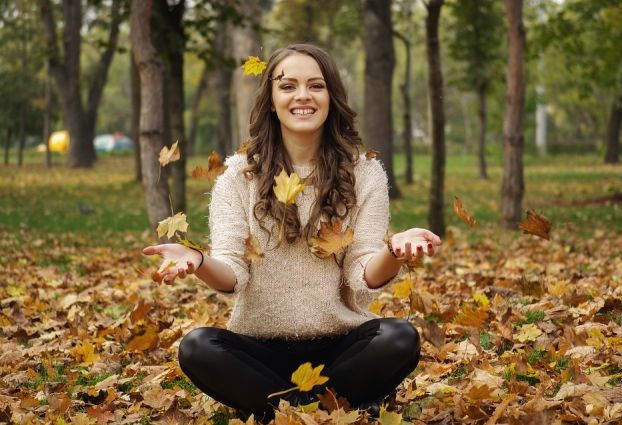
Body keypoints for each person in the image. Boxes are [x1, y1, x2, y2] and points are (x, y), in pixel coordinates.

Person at [143, 43, 441, 422]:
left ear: (331, 96)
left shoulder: (364, 174)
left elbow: (363, 273)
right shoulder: (238, 176)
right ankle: (326, 410)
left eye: (315, 85)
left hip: (341, 349)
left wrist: (394, 251)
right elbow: (232, 274)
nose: (303, 96)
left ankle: (284, 412)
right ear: (270, 99)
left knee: (399, 338)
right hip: (260, 352)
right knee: (198, 347)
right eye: (288, 86)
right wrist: (199, 260)